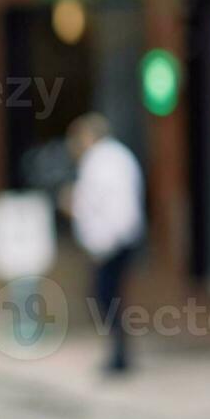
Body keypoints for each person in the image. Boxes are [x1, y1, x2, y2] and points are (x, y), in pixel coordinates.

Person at [65, 112, 145, 375]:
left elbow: (110, 206)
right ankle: (118, 353)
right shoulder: (111, 158)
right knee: (107, 297)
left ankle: (120, 355)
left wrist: (104, 244)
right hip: (117, 239)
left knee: (106, 297)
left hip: (113, 242)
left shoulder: (104, 161)